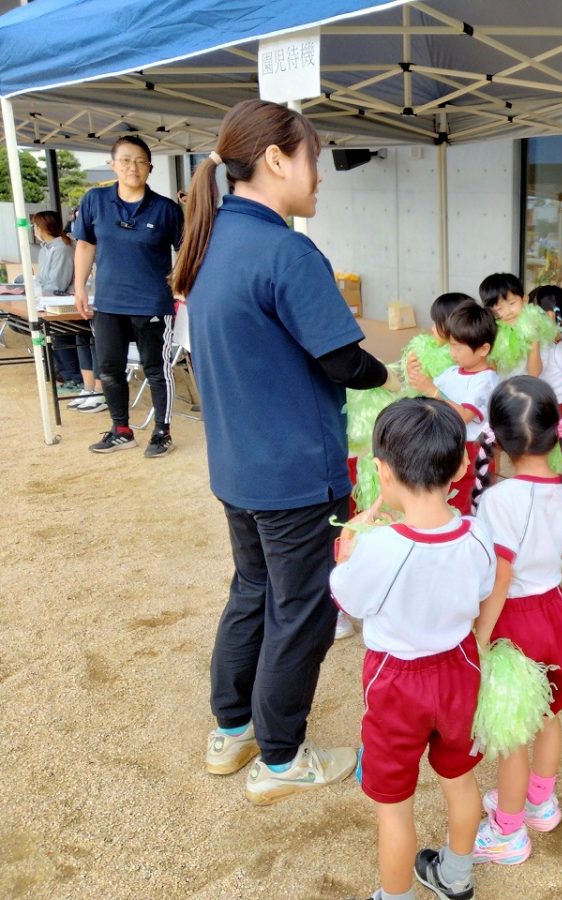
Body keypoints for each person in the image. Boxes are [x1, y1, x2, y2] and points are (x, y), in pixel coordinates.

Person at [175, 99, 403, 803]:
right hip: (294, 472)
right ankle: (279, 757)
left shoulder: (210, 239)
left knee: (253, 590)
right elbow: (344, 360)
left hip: (238, 466)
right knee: (301, 609)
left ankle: (232, 729)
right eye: (314, 158)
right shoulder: (286, 250)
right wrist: (393, 377)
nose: (321, 175)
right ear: (277, 159)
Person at [330, 398, 496, 900]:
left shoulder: (379, 547)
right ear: (461, 466)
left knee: (394, 806)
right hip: (459, 669)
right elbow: (482, 589)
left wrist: (347, 551)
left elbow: (349, 600)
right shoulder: (478, 533)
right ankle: (456, 875)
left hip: (396, 681)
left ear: (382, 470)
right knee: (460, 779)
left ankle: (396, 895)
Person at [471, 377, 562, 865]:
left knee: (512, 732)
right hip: (555, 613)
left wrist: (480, 639)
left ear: (499, 440)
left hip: (514, 623)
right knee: (546, 714)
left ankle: (508, 830)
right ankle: (540, 803)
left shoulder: (499, 500)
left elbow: (501, 578)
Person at [73, 135, 183, 457]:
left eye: (140, 161)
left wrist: (179, 280)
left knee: (156, 369)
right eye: (125, 160)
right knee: (109, 369)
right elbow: (85, 245)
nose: (132, 167)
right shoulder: (95, 200)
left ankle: (161, 432)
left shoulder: (166, 209)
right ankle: (121, 430)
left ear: (149, 167)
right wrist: (79, 287)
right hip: (108, 303)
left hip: (152, 303)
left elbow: (186, 250)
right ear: (113, 165)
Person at [407, 304, 499, 517]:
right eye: (451, 346)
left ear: (483, 349)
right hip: (450, 447)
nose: (452, 353)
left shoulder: (486, 380)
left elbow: (463, 415)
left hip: (473, 452)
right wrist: (415, 375)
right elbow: (427, 396)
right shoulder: (451, 372)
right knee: (451, 502)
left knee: (470, 503)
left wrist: (431, 389)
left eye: (458, 348)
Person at [30, 211, 89, 399]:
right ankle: (67, 375)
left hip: (65, 304)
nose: (34, 230)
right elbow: (41, 279)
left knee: (60, 337)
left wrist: (39, 290)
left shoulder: (63, 248)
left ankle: (74, 378)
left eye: (35, 226)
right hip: (49, 302)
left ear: (42, 228)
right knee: (53, 336)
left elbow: (57, 284)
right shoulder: (45, 249)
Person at [528, 284, 562, 429]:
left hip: (557, 412)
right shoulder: (547, 341)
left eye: (531, 314)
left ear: (549, 315)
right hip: (542, 408)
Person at [480, 273, 542, 378]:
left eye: (512, 303)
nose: (508, 312)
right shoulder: (492, 333)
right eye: (499, 309)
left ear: (524, 300)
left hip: (529, 385)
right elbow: (491, 374)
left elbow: (534, 374)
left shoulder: (535, 325)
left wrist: (534, 338)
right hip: (502, 386)